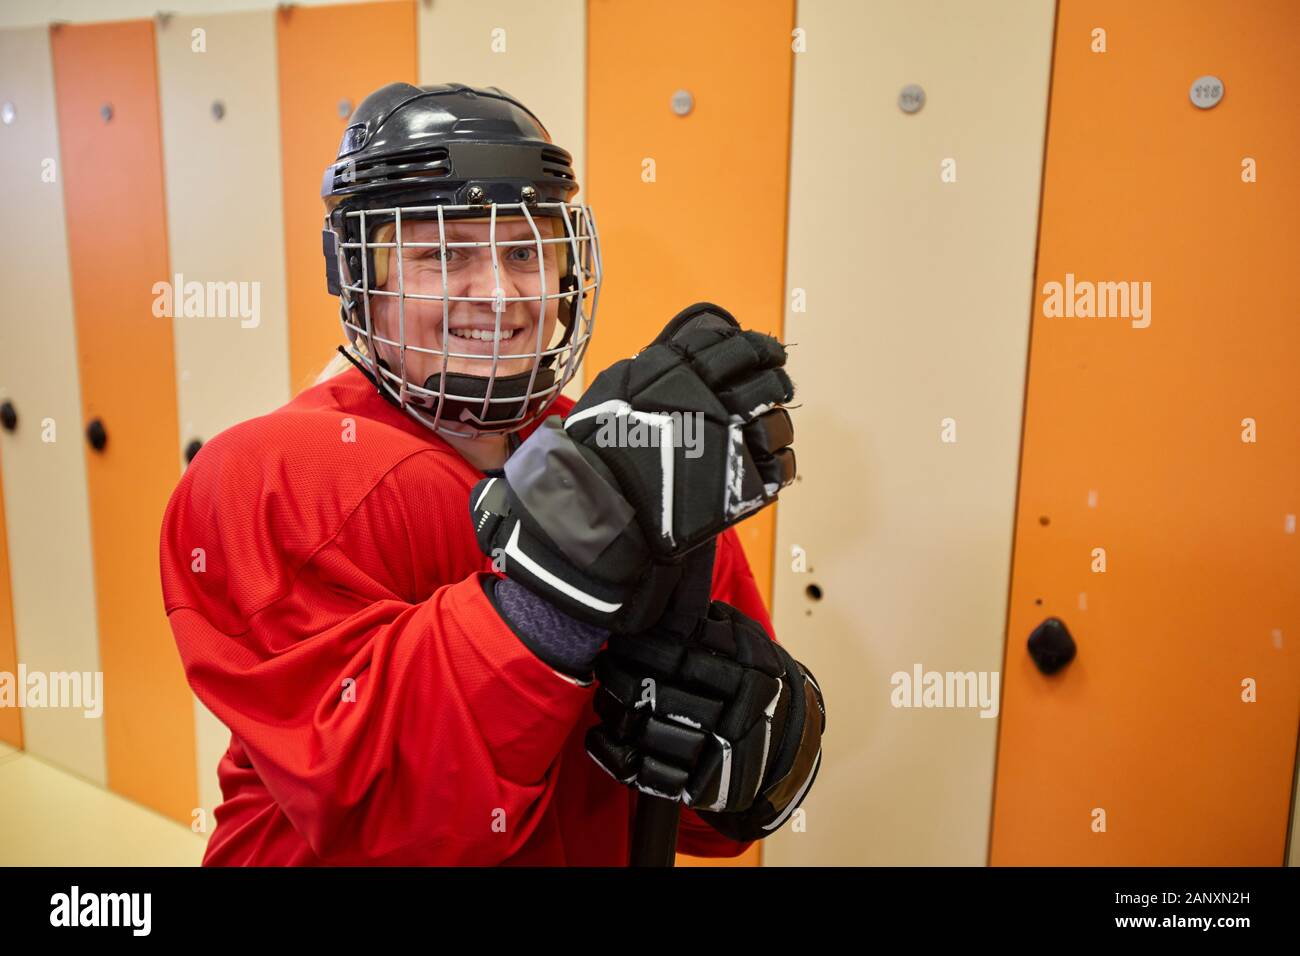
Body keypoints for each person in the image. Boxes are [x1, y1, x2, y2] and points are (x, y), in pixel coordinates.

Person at [159, 82, 825, 866]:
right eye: (443, 254)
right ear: (359, 279)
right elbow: (395, 814)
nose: (502, 294)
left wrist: (751, 752)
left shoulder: (634, 458)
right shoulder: (269, 478)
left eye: (524, 250)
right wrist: (559, 599)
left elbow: (688, 804)